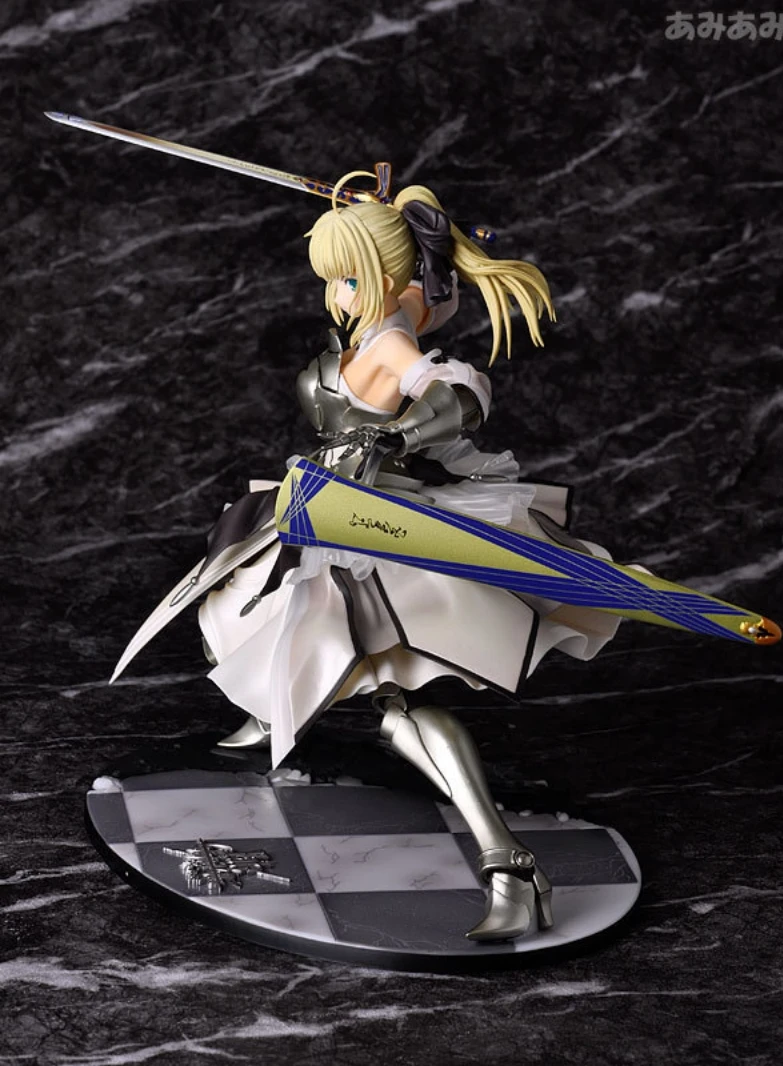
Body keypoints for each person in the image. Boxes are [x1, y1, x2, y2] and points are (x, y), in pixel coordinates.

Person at [116, 173, 623, 941]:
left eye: (349, 277)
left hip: (366, 525)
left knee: (393, 694)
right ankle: (269, 711)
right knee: (236, 592)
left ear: (383, 276)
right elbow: (426, 299)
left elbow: (458, 388)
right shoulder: (390, 314)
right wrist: (414, 231)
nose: (337, 293)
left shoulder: (388, 338)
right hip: (317, 503)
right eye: (333, 278)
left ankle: (509, 867)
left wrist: (401, 432)